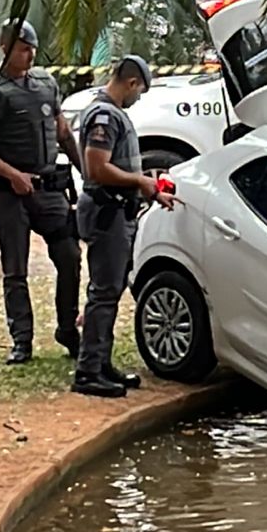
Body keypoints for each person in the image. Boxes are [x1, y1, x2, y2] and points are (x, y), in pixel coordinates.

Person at [0, 19, 84, 366]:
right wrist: (12, 174)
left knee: (70, 257)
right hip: (9, 192)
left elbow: (63, 132)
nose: (29, 55)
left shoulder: (45, 84)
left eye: (32, 49)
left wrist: (84, 171)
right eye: (22, 49)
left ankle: (67, 328)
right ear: (5, 48)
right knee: (15, 269)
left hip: (48, 187)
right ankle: (22, 339)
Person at [75, 55, 176, 398]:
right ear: (131, 83)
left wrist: (150, 190)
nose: (138, 98)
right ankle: (88, 371)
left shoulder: (112, 113)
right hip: (107, 212)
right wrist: (139, 181)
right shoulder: (104, 116)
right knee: (103, 293)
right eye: (139, 91)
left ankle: (101, 363)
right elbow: (97, 167)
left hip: (117, 210)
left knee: (111, 289)